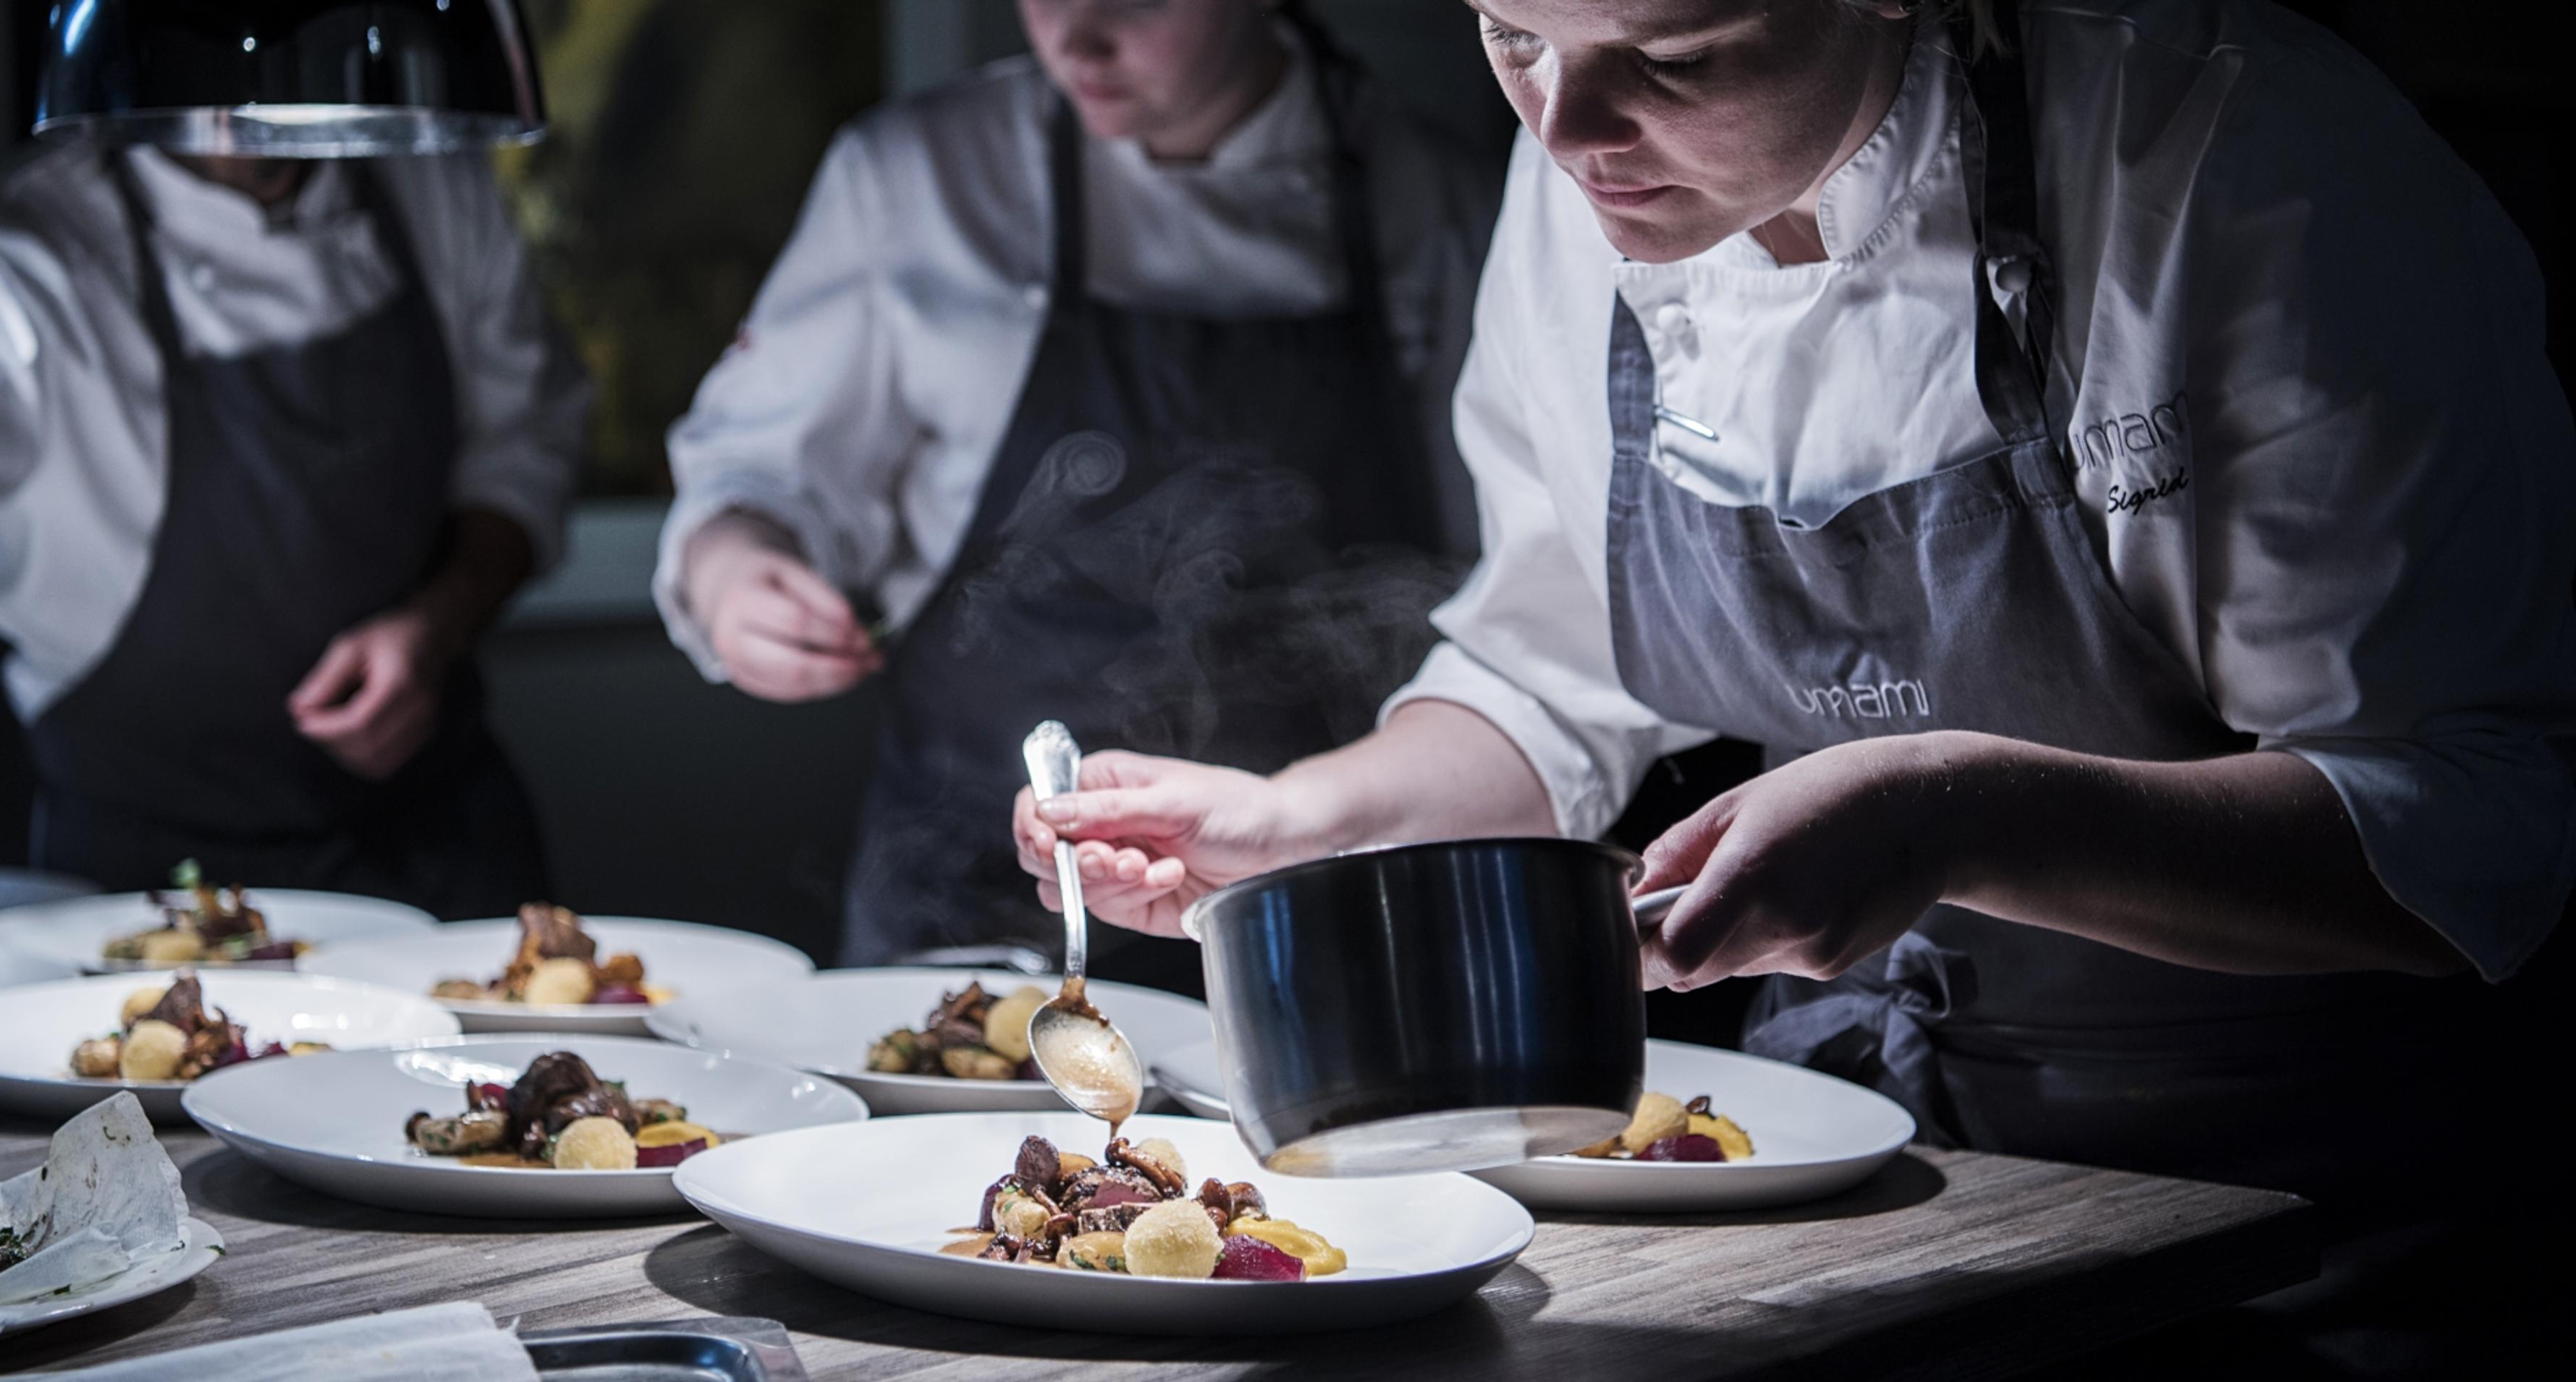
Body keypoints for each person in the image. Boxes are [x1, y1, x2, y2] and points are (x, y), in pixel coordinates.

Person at [1015, 0, 2572, 1209]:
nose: (1569, 130)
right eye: (1510, 38)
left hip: (2311, 1209)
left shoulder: (2232, 167)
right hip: (1867, 1175)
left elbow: (2466, 826)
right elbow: (1553, 673)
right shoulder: (1595, 177)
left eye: (1678, 54)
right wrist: (1309, 820)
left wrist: (1959, 814)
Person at [660, 0, 1500, 967]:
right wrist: (736, 564)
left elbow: (1508, 577)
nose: (1076, 33)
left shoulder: (1439, 197)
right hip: (967, 891)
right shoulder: (919, 176)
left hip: (1327, 895)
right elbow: (753, 468)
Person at [0, 139, 582, 917]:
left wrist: (440, 619)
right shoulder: (0, 272)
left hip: (445, 854)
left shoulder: (430, 179)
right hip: (142, 892)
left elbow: (527, 449)